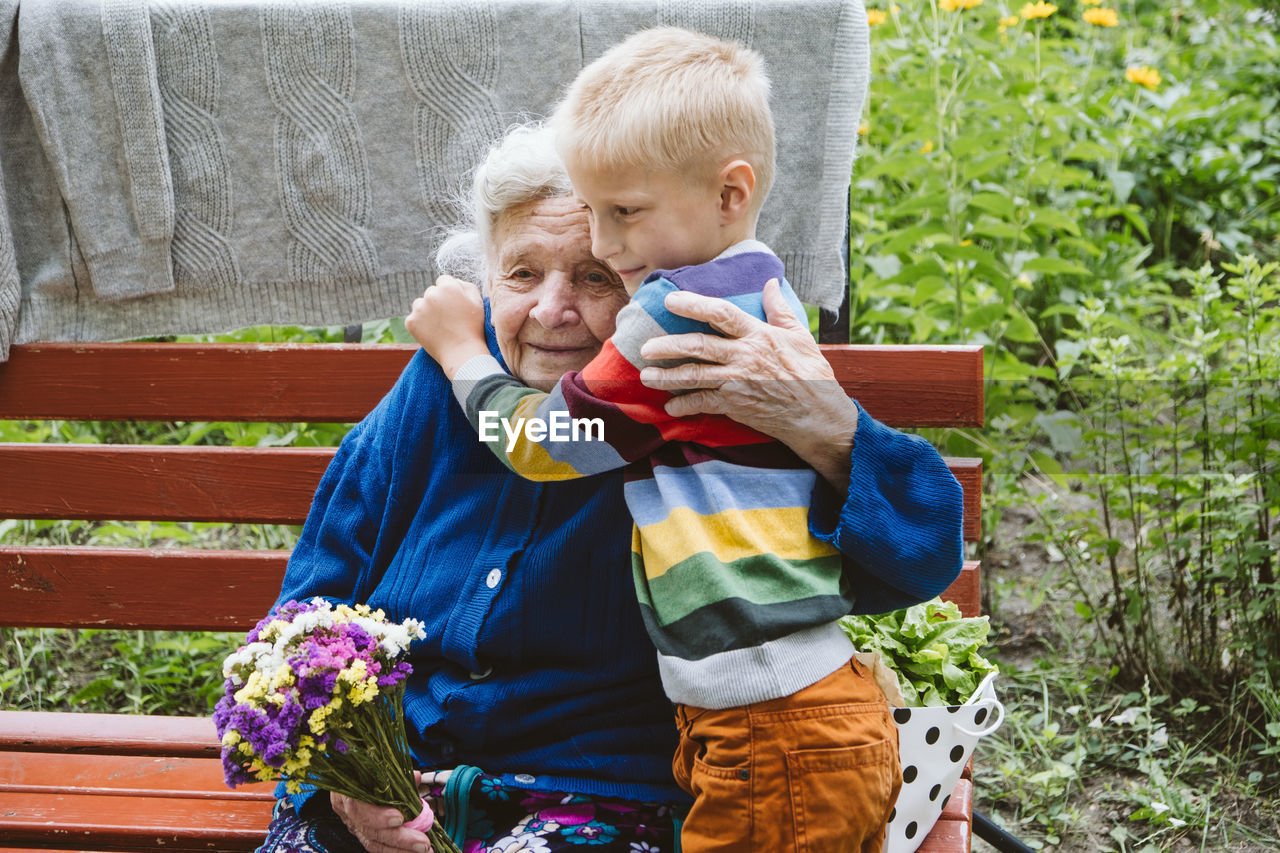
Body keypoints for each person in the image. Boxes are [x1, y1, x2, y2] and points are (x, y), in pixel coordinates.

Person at [260, 119, 963, 853]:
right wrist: (346, 778)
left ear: (648, 282)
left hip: (597, 793)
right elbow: (307, 610)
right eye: (522, 273)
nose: (552, 309)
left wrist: (829, 426)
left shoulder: (702, 388)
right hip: (393, 781)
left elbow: (922, 555)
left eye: (595, 276)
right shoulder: (440, 385)